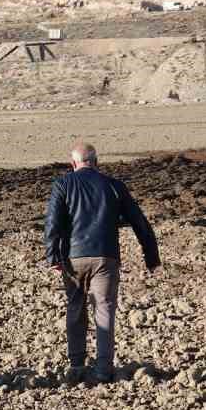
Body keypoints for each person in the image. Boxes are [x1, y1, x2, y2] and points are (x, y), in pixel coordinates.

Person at [44, 141, 160, 382]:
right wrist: (151, 257)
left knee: (75, 307)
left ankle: (76, 365)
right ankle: (103, 368)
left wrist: (53, 256)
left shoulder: (63, 184)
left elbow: (52, 223)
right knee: (104, 309)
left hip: (73, 258)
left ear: (73, 164)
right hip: (106, 256)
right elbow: (140, 222)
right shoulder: (114, 186)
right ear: (96, 162)